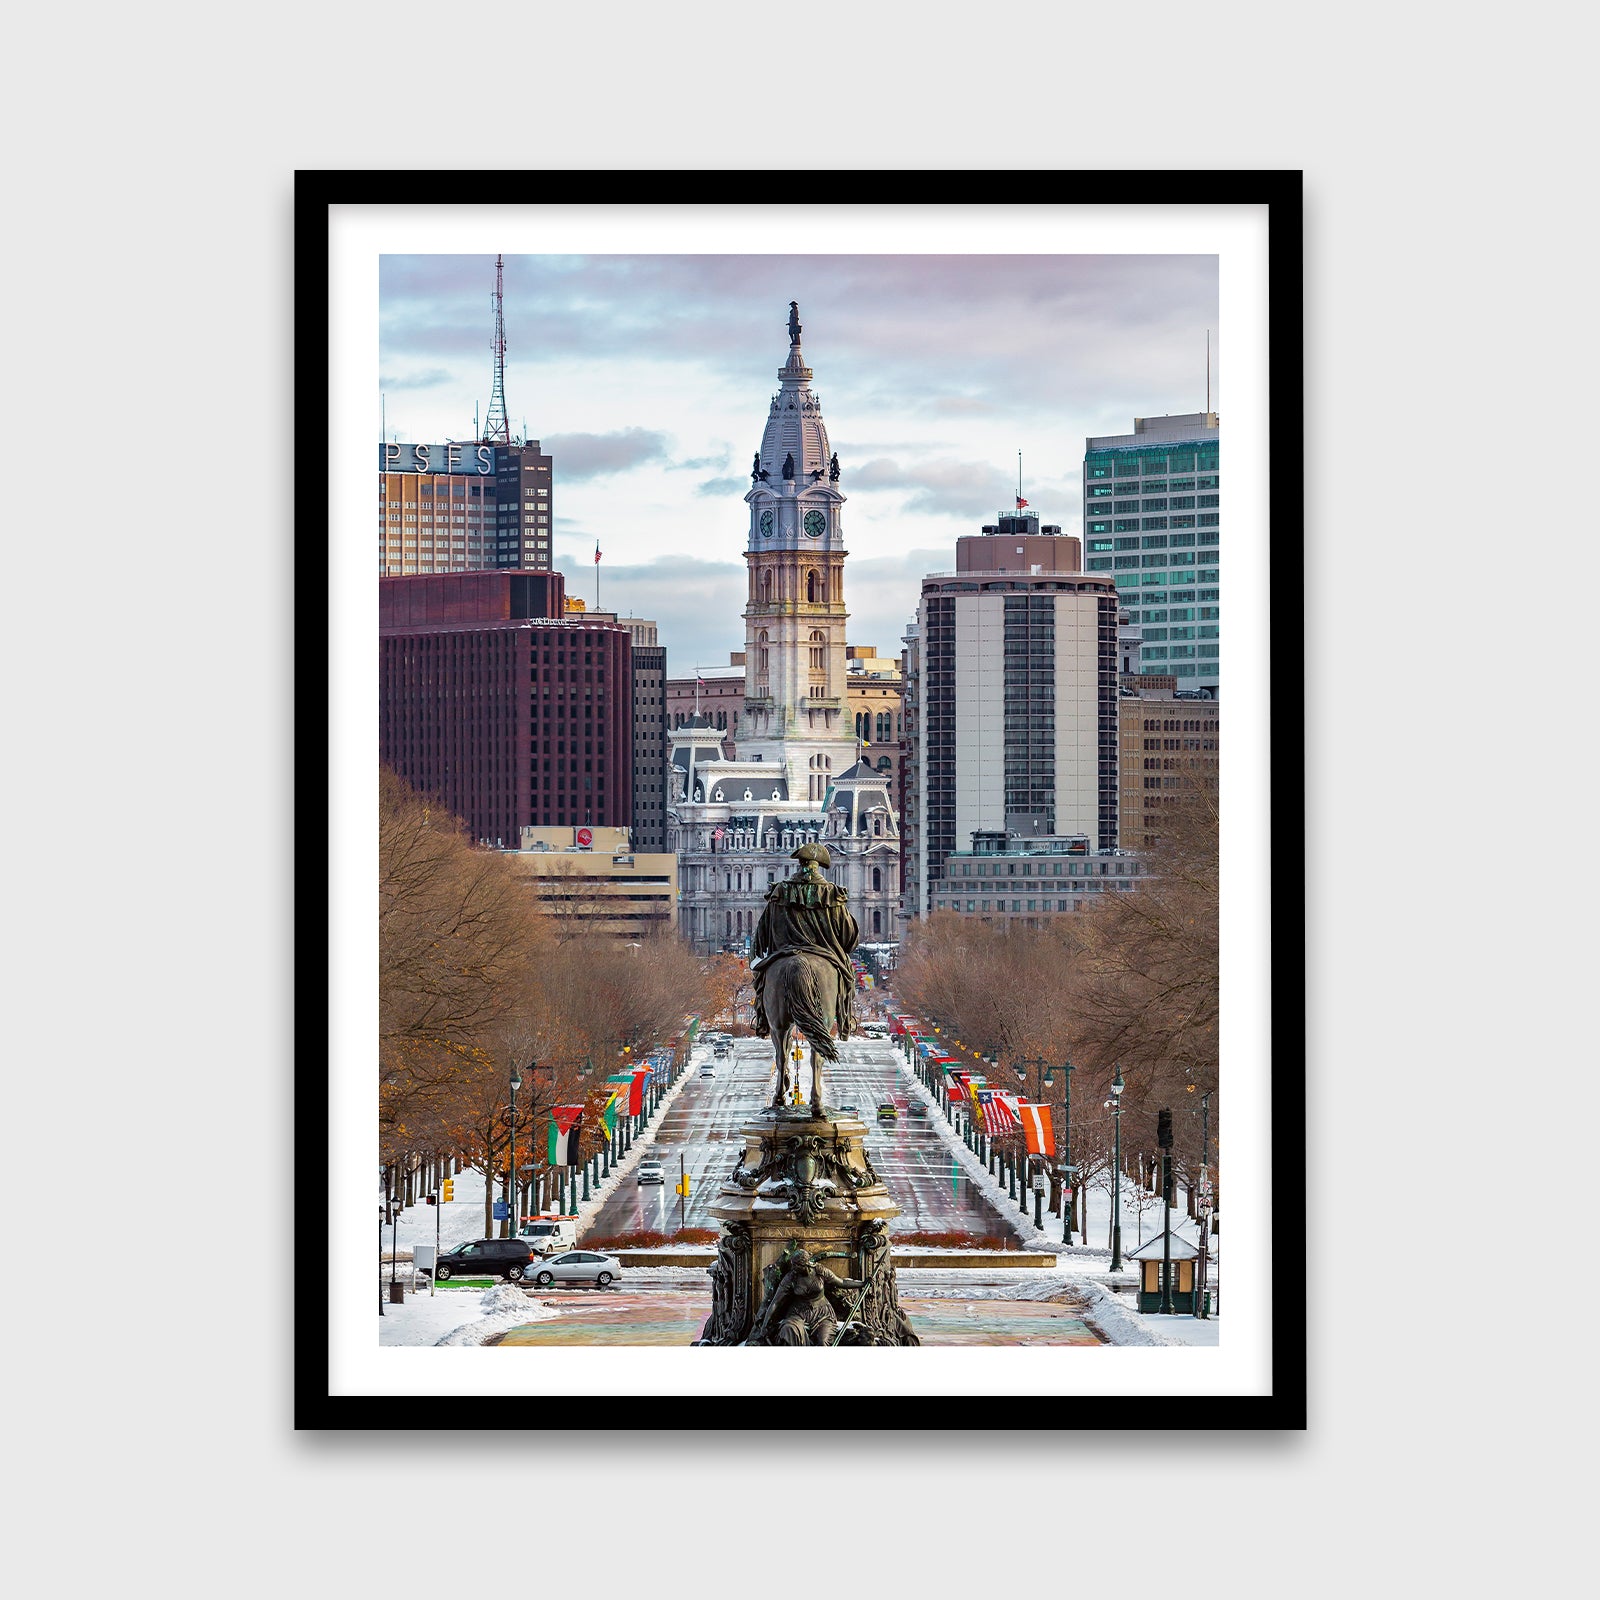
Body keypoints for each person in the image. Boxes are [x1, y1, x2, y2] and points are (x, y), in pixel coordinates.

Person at [750, 843, 859, 1043]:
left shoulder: (779, 892)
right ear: (818, 866)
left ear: (800, 864)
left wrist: (756, 961)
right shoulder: (832, 894)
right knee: (847, 979)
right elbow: (848, 937)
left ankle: (762, 1019)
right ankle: (845, 1019)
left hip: (782, 953)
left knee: (762, 979)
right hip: (825, 954)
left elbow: (761, 935)